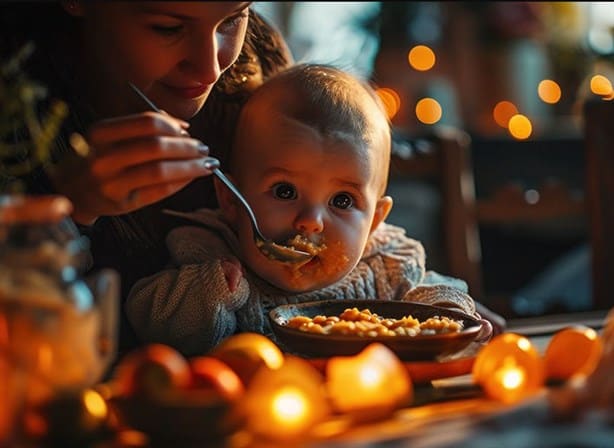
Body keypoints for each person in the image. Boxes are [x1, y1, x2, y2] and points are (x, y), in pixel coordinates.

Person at [125, 63, 496, 356]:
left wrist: (451, 313)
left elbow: (431, 296)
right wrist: (212, 292)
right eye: (285, 191)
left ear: (374, 223)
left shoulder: (386, 264)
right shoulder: (211, 253)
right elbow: (157, 325)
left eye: (343, 201)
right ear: (230, 200)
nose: (311, 222)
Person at [0, 2, 293, 353]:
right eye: (167, 28)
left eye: (232, 20)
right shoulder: (14, 105)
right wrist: (71, 216)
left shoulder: (256, 71)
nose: (210, 67)